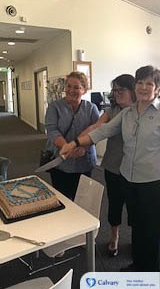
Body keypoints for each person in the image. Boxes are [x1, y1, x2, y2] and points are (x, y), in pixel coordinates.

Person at [60, 65, 160, 271]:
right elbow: (102, 131)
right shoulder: (127, 114)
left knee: (151, 229)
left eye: (149, 83)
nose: (143, 87)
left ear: (157, 88)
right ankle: (138, 265)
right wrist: (76, 143)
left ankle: (150, 272)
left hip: (152, 182)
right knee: (138, 227)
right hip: (127, 178)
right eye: (139, 82)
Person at [79, 74, 136, 257]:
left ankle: (138, 238)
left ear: (133, 90)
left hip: (137, 171)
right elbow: (96, 127)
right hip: (113, 167)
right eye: (115, 90)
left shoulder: (142, 111)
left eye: (122, 90)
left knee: (137, 207)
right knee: (115, 205)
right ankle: (115, 237)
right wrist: (78, 142)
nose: (117, 93)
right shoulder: (111, 111)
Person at [45, 71, 99, 200]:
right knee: (62, 198)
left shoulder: (91, 108)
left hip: (84, 161)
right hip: (60, 161)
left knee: (82, 198)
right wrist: (67, 147)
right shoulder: (54, 107)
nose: (71, 90)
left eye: (77, 87)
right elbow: (52, 130)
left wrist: (83, 148)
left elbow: (97, 132)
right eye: (68, 86)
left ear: (84, 90)